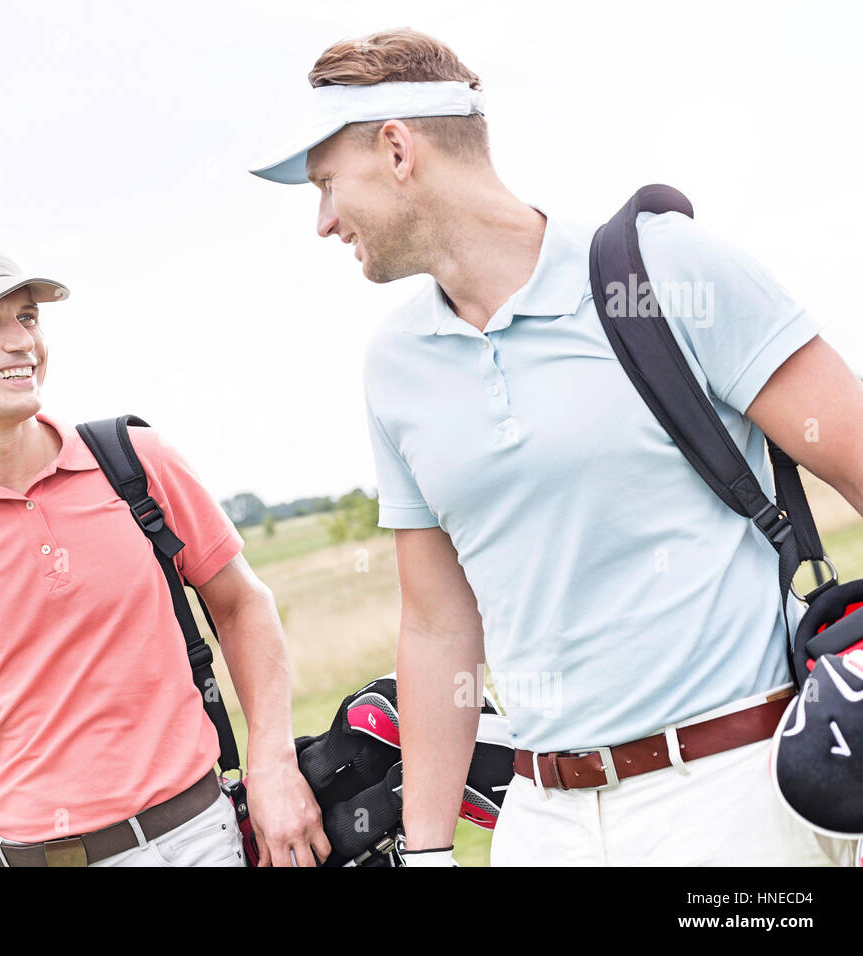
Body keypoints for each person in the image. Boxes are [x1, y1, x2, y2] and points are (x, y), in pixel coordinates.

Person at [249, 27, 863, 866]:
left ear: (397, 150)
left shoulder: (664, 272)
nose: (323, 221)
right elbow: (436, 625)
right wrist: (427, 855)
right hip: (542, 822)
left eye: (326, 185)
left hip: (735, 798)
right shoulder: (396, 367)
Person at [0, 242, 328, 866]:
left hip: (200, 840)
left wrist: (272, 763)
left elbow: (242, 607)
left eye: (27, 316)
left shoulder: (133, 461)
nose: (20, 340)